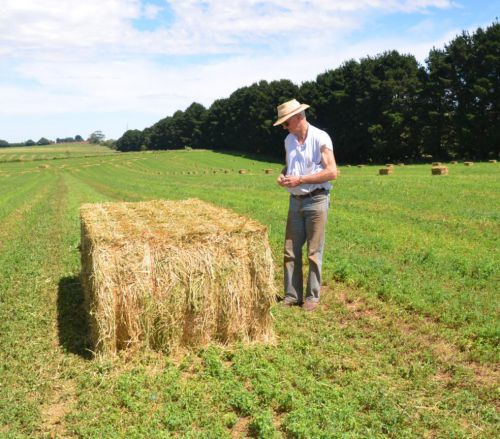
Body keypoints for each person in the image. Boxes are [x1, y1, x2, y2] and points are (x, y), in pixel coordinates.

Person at [274, 99, 338, 311]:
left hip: (317, 200)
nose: (284, 127)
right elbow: (289, 166)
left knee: (313, 252)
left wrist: (300, 179)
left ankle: (312, 297)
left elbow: (332, 172)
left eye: (286, 123)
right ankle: (292, 296)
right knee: (290, 251)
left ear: (298, 117)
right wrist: (283, 175)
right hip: (295, 201)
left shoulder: (320, 137)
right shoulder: (288, 140)